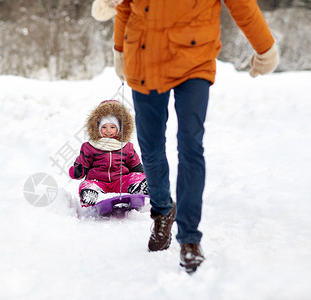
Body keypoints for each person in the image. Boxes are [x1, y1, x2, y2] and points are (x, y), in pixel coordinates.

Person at [92, 0, 279, 273]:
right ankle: (162, 210)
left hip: (194, 58)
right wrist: (120, 50)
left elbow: (242, 4)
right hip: (145, 58)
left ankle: (190, 238)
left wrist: (265, 48)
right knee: (151, 146)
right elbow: (124, 6)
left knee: (191, 145)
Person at [69, 100, 148, 207]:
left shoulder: (126, 146)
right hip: (98, 181)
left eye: (112, 127)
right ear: (97, 128)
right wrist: (77, 171)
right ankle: (91, 195)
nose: (108, 131)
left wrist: (143, 176)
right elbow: (82, 165)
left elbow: (136, 166)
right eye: (104, 127)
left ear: (119, 129)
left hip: (120, 181)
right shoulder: (90, 146)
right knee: (87, 184)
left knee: (135, 177)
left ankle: (137, 187)